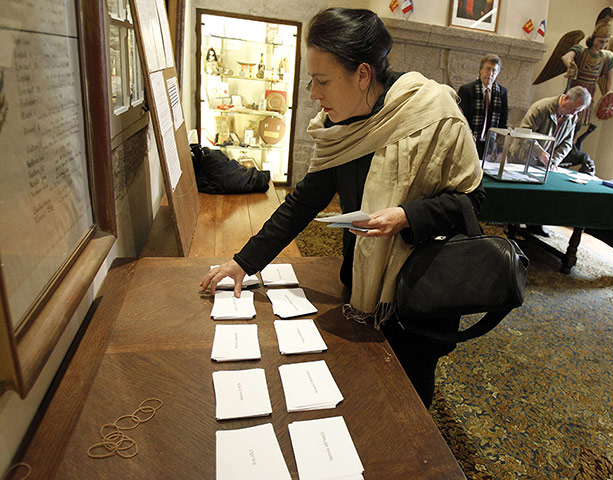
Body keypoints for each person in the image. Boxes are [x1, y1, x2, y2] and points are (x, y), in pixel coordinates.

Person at [200, 8, 486, 408]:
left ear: (363, 75)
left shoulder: (435, 114)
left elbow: (471, 200)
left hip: (422, 293)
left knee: (410, 400)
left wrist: (408, 216)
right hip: (363, 284)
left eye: (322, 81)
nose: (313, 95)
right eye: (311, 81)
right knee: (366, 388)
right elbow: (302, 203)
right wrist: (244, 262)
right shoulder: (343, 126)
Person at [512, 85, 590, 237]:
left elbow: (567, 142)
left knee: (542, 195)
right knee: (523, 194)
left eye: (578, 111)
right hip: (523, 157)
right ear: (565, 98)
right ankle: (512, 224)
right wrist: (539, 152)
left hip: (546, 162)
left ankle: (534, 224)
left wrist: (554, 159)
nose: (574, 113)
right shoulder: (541, 108)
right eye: (573, 108)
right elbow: (524, 133)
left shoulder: (572, 117)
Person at [561, 11, 613, 126]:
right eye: (601, 41)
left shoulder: (607, 58)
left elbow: (609, 80)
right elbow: (566, 57)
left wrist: (608, 97)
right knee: (566, 119)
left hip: (589, 93)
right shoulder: (580, 51)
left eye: (606, 42)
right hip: (575, 89)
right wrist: (571, 65)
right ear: (593, 39)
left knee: (579, 123)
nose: (603, 45)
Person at [457, 54, 508, 158]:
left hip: (489, 144)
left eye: (494, 71)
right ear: (480, 70)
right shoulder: (466, 90)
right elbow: (460, 119)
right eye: (487, 69)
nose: (490, 74)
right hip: (469, 141)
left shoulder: (502, 92)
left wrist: (500, 145)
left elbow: (503, 120)